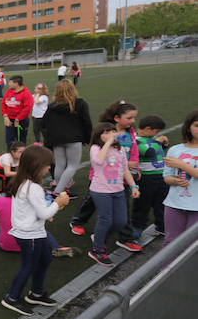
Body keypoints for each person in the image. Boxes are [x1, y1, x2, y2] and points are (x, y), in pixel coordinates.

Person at [0, 145, 72, 315]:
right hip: (29, 234)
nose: (49, 168)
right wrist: (57, 204)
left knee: (45, 259)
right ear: (36, 166)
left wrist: (48, 211)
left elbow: (35, 210)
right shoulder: (33, 188)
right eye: (47, 165)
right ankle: (12, 297)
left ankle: (36, 293)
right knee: (28, 266)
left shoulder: (23, 182)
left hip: (31, 231)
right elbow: (43, 212)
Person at [70, 100, 142, 253]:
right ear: (117, 118)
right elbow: (99, 158)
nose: (132, 121)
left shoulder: (129, 133)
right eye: (129, 118)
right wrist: (110, 141)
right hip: (100, 179)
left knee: (122, 212)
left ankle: (125, 238)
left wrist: (134, 164)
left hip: (120, 178)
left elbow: (132, 150)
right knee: (92, 203)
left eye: (134, 118)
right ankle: (78, 221)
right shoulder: (104, 134)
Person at [87, 122, 141, 265]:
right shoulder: (95, 148)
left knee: (121, 221)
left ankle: (100, 238)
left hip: (118, 190)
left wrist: (133, 186)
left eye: (112, 131)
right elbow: (98, 161)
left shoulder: (120, 149)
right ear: (99, 136)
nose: (111, 134)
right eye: (106, 132)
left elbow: (125, 170)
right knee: (106, 219)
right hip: (100, 190)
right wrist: (109, 142)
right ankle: (97, 250)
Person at [0, 195, 78, 257]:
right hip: (30, 245)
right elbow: (49, 218)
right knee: (44, 233)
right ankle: (56, 247)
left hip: (7, 244)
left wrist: (3, 218)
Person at [42, 80, 92, 198]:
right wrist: (87, 138)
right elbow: (87, 123)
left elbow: (44, 124)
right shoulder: (79, 104)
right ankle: (58, 192)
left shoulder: (52, 106)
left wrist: (49, 139)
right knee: (72, 165)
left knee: (60, 164)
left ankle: (60, 190)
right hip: (73, 139)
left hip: (56, 140)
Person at [162, 110, 198, 246]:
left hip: (196, 207)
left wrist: (182, 164)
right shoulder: (175, 149)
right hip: (174, 204)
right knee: (170, 242)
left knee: (192, 246)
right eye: (197, 125)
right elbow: (166, 177)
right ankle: (166, 268)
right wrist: (175, 180)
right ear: (188, 128)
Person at [132, 115, 169, 238]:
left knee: (161, 202)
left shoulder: (151, 139)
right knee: (143, 203)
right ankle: (138, 226)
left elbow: (157, 151)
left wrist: (163, 145)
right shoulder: (136, 141)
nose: (156, 134)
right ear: (148, 129)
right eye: (156, 131)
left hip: (161, 176)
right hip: (146, 178)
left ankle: (162, 225)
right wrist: (158, 141)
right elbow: (149, 153)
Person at [1, 75, 34, 146]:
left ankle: (21, 156)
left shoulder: (26, 93)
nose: (8, 84)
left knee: (21, 141)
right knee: (9, 141)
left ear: (16, 84)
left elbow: (27, 108)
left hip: (22, 121)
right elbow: (3, 104)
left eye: (10, 82)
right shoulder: (8, 92)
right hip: (9, 120)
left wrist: (18, 119)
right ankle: (10, 155)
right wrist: (5, 117)